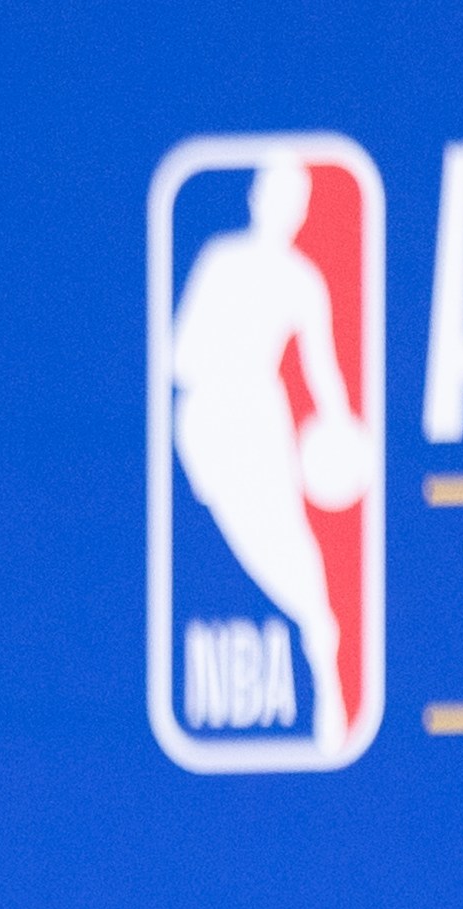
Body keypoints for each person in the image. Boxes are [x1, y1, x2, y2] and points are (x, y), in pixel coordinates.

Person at [171, 152, 371, 749]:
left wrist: (341, 432)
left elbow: (324, 374)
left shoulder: (304, 282)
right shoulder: (220, 260)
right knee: (240, 547)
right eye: (272, 194)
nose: (282, 208)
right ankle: (319, 645)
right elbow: (179, 357)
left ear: (301, 211)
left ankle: (328, 677)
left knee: (293, 553)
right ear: (256, 198)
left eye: (295, 201)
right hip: (210, 420)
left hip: (263, 419)